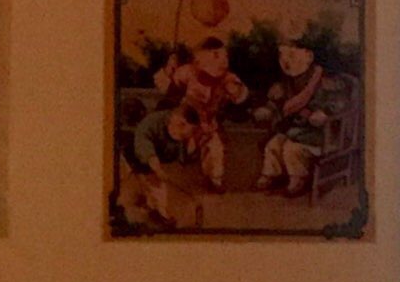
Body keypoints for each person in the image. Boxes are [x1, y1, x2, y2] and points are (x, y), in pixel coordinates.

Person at [131, 37, 248, 220]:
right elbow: (170, 90)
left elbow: (240, 97)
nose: (223, 61)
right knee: (181, 147)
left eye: (224, 56)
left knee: (215, 148)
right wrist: (169, 70)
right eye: (215, 56)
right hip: (187, 120)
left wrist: (236, 91)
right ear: (199, 60)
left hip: (209, 124)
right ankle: (165, 177)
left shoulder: (228, 79)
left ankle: (214, 179)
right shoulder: (188, 72)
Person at [255, 40, 339, 196]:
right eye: (282, 56)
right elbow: (277, 103)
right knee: (273, 144)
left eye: (291, 55)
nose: (286, 61)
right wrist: (267, 110)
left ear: (309, 56)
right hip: (294, 131)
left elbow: (337, 102)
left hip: (317, 134)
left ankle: (297, 179)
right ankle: (270, 174)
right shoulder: (285, 84)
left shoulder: (324, 82)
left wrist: (324, 113)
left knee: (291, 149)